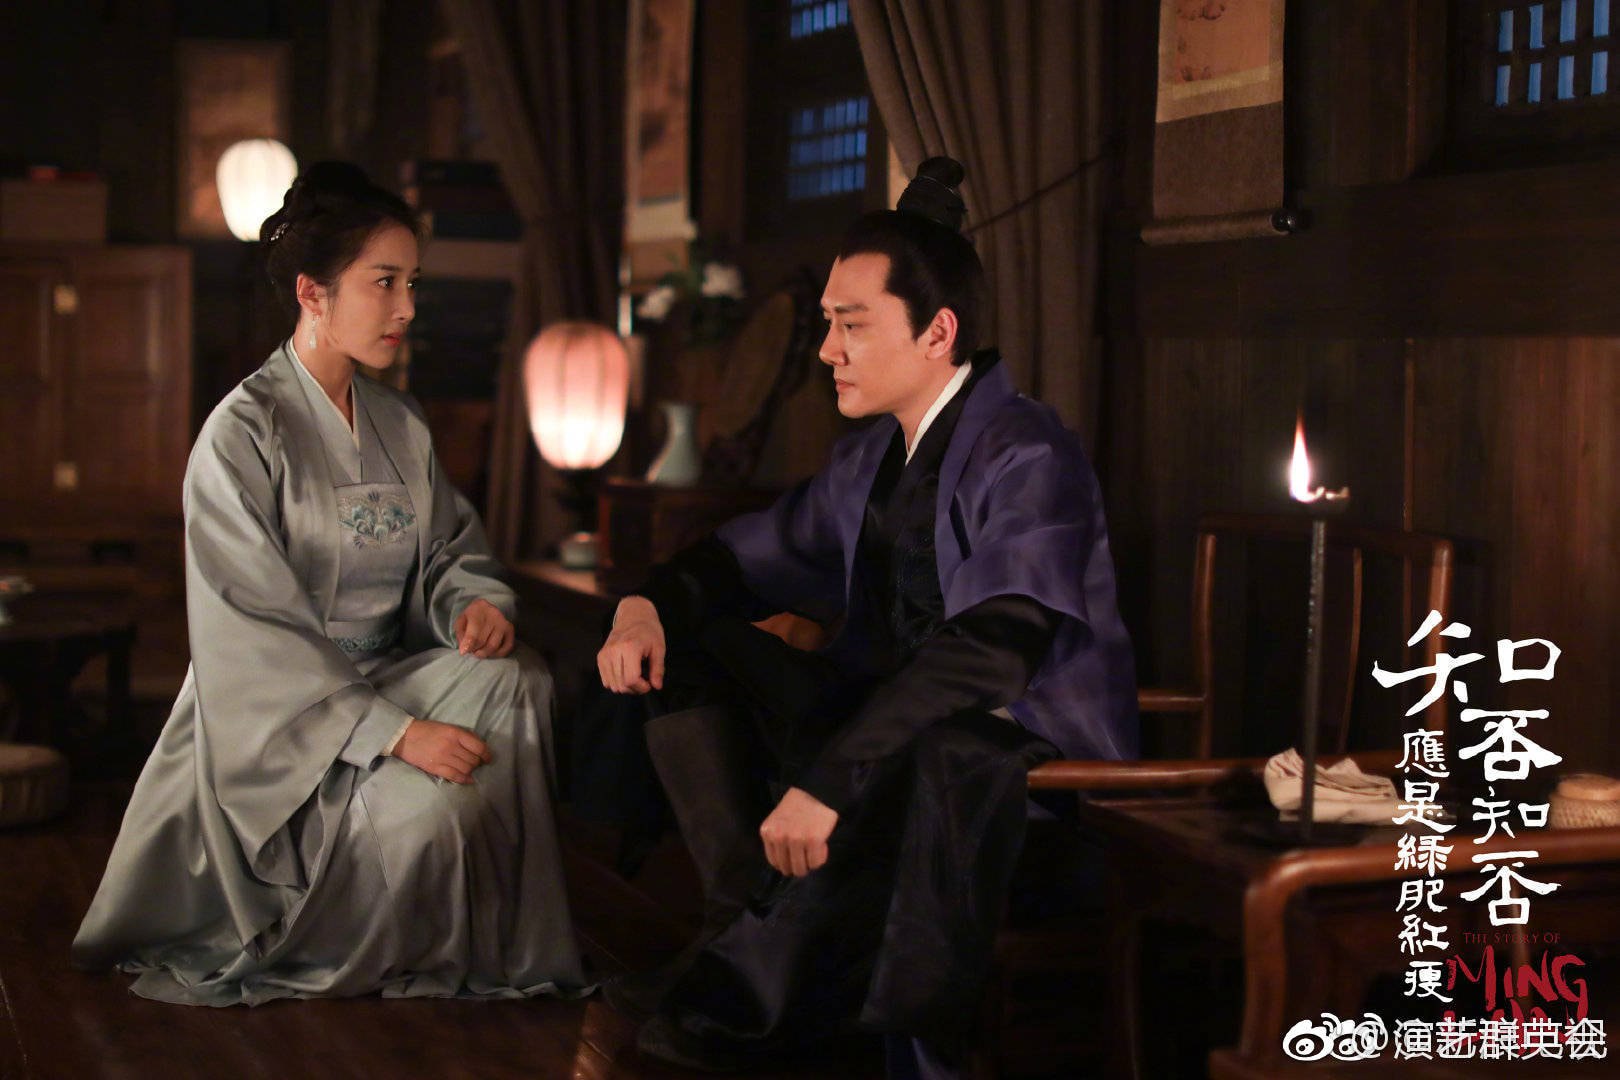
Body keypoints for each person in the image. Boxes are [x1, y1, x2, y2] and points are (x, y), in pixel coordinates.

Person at [595, 157, 1138, 1077]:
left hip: (1014, 764)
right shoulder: (868, 460)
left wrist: (834, 778)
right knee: (688, 647)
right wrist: (645, 606)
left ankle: (761, 995)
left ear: (938, 332)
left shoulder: (1026, 451)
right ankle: (736, 933)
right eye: (828, 325)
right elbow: (744, 559)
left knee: (938, 749)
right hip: (875, 729)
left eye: (852, 325)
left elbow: (995, 648)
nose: (826, 351)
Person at [71, 162, 588, 1006]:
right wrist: (395, 734)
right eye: (384, 282)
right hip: (278, 722)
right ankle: (358, 887)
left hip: (389, 672)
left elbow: (446, 550)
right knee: (442, 812)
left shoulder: (400, 422)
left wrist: (471, 604)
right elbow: (251, 629)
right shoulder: (243, 433)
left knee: (517, 677)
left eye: (412, 283)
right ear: (312, 293)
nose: (407, 307)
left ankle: (511, 941)